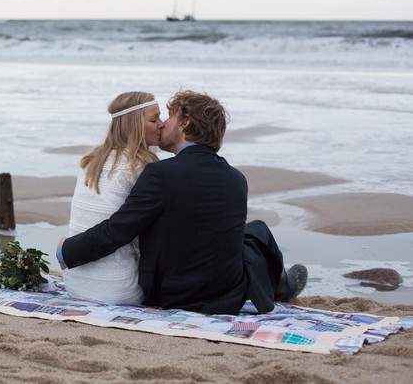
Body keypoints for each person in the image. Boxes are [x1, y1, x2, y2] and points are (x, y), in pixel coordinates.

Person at [58, 90, 307, 314]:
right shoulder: (237, 179)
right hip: (228, 297)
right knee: (255, 232)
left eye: (169, 117)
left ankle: (282, 285)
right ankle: (281, 285)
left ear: (185, 123)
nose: (163, 124)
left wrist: (67, 250)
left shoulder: (159, 174)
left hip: (169, 294)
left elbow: (119, 229)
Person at [63, 92, 163, 305]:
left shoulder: (91, 160)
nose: (161, 125)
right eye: (154, 120)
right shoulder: (143, 165)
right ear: (135, 125)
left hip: (74, 282)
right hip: (118, 288)